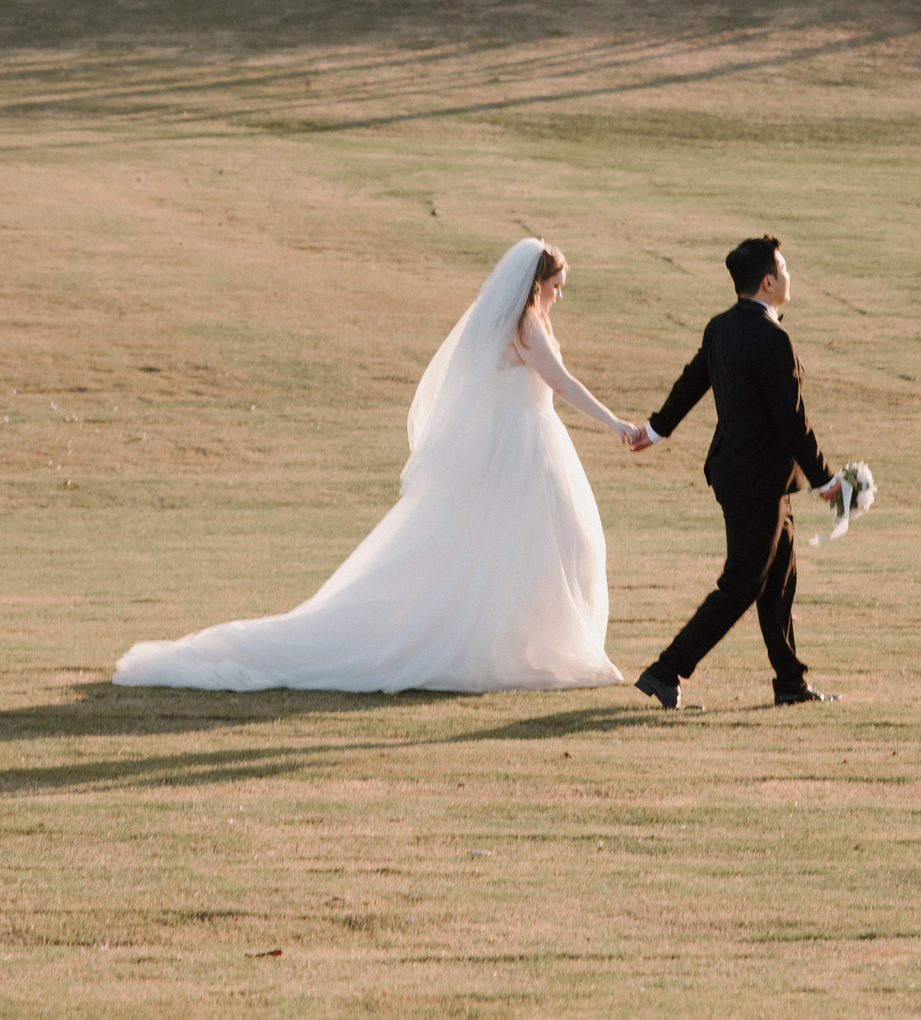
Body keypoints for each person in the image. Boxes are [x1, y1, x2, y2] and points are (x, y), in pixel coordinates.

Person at [114, 240, 634, 693]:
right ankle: (527, 650)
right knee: (555, 546)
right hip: (524, 448)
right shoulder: (523, 324)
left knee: (543, 548)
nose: (559, 295)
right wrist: (615, 423)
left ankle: (532, 646)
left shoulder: (520, 322)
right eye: (556, 285)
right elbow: (561, 384)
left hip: (524, 447)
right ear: (534, 284)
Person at [625, 235, 843, 710]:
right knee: (742, 582)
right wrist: (826, 480)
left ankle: (790, 682)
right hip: (757, 482)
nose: (789, 277)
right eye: (783, 270)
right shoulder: (773, 339)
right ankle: (666, 670)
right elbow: (792, 420)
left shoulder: (720, 327)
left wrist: (657, 429)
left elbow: (693, 380)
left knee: (779, 578)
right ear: (768, 282)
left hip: (744, 477)